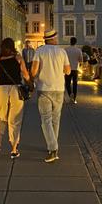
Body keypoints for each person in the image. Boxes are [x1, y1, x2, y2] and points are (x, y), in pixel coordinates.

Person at [31, 29, 71, 163]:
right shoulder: (62, 52)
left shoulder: (39, 51)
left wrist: (37, 76)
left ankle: (53, 147)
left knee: (46, 120)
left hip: (44, 89)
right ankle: (52, 146)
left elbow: (33, 71)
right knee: (55, 120)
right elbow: (68, 70)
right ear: (53, 39)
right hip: (59, 89)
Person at [0, 38, 31, 159]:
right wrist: (30, 83)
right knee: (15, 119)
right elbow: (25, 74)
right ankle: (14, 150)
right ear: (13, 46)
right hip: (15, 89)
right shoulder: (18, 58)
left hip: (0, 89)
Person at [64, 37, 83, 103]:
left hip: (67, 69)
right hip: (75, 69)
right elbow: (81, 60)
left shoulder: (66, 50)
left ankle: (70, 94)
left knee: (67, 83)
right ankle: (74, 98)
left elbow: (63, 60)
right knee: (75, 84)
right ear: (75, 42)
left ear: (70, 42)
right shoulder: (78, 50)